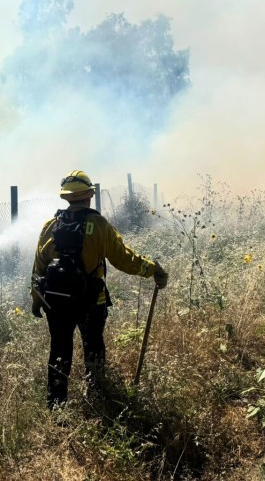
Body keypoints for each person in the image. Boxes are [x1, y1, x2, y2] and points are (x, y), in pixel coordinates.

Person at [31, 170, 168, 409]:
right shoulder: (98, 224)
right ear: (89, 195)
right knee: (93, 347)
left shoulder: (50, 226)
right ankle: (95, 394)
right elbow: (124, 259)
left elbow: (38, 267)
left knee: (59, 351)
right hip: (91, 301)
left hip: (56, 302)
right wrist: (152, 268)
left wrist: (36, 299)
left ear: (66, 197)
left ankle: (56, 406)